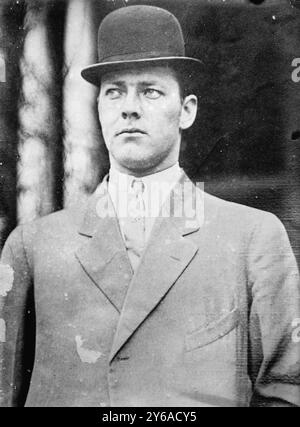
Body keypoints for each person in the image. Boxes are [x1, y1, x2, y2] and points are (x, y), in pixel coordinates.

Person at [0, 5, 299, 407]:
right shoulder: (33, 246)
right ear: (101, 109)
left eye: (150, 91)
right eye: (114, 91)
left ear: (187, 111)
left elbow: (287, 389)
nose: (129, 107)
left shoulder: (251, 237)